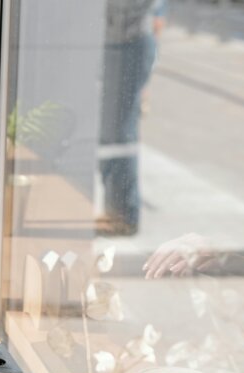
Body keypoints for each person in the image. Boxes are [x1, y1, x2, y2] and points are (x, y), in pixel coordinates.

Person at [97, 0, 162, 236]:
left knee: (118, 135)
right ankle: (116, 210)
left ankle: (123, 214)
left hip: (127, 43)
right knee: (111, 133)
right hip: (117, 42)